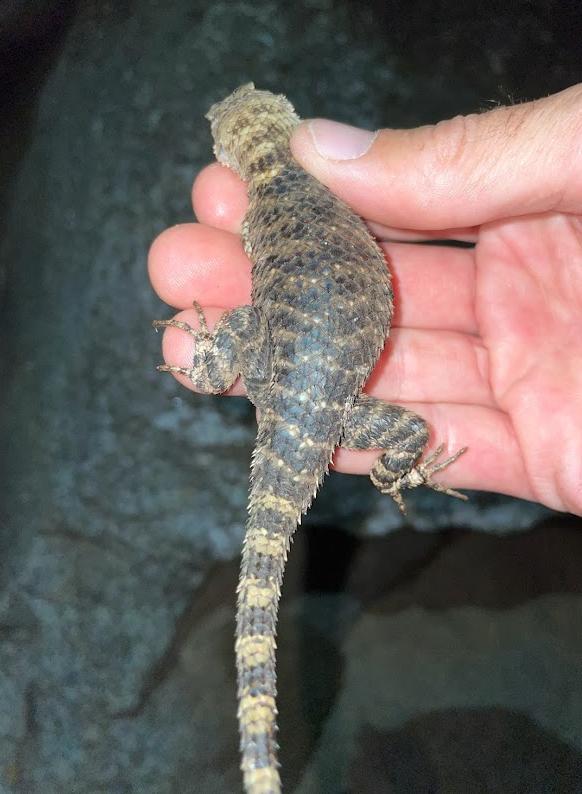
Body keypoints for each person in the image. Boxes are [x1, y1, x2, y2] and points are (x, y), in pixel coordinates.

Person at [149, 84, 582, 516]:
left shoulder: (259, 215)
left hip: (282, 388)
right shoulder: (325, 186)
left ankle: (210, 372)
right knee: (410, 435)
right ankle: (391, 477)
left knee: (407, 430)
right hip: (323, 407)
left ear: (228, 154)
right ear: (288, 122)